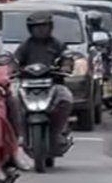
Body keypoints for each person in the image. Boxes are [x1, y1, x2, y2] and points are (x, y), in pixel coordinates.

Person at [13, 12, 73, 152]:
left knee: (66, 99)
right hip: (27, 86)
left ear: (50, 27)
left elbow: (67, 57)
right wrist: (12, 69)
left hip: (53, 85)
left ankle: (58, 132)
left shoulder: (57, 44)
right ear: (30, 29)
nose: (41, 30)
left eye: (44, 26)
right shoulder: (25, 46)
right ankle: (21, 135)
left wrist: (66, 66)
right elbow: (15, 61)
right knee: (13, 99)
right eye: (37, 27)